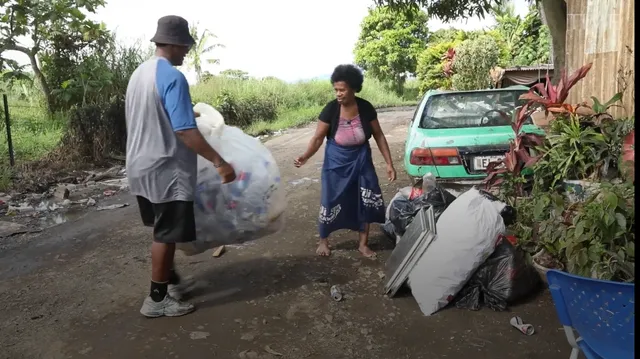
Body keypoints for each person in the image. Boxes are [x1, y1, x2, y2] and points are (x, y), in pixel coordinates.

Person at [125, 15, 236, 318]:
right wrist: (220, 162)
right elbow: (185, 132)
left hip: (140, 167)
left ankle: (169, 281)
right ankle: (157, 299)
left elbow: (156, 115)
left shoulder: (140, 73)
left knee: (163, 231)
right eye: (185, 46)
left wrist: (190, 115)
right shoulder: (172, 77)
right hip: (166, 170)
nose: (187, 51)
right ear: (175, 44)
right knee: (166, 235)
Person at [294, 64, 396, 258]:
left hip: (361, 159)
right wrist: (305, 156)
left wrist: (390, 164)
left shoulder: (365, 107)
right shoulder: (331, 109)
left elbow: (379, 136)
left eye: (342, 90)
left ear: (354, 89)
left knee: (365, 198)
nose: (338, 94)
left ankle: (363, 244)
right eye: (336, 90)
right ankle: (324, 240)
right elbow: (317, 138)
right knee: (330, 199)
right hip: (336, 161)